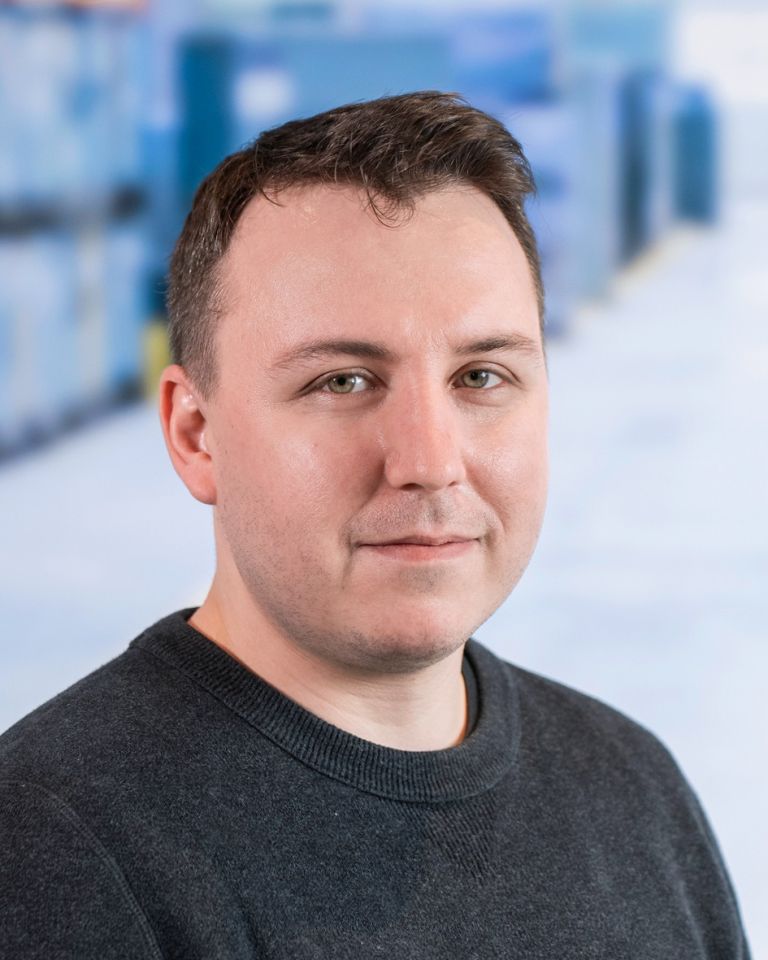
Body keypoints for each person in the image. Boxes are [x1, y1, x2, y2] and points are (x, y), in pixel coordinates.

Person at [0, 91, 751, 958]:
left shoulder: (632, 788)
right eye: (343, 382)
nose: (430, 460)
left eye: (481, 377)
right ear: (196, 435)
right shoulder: (54, 858)